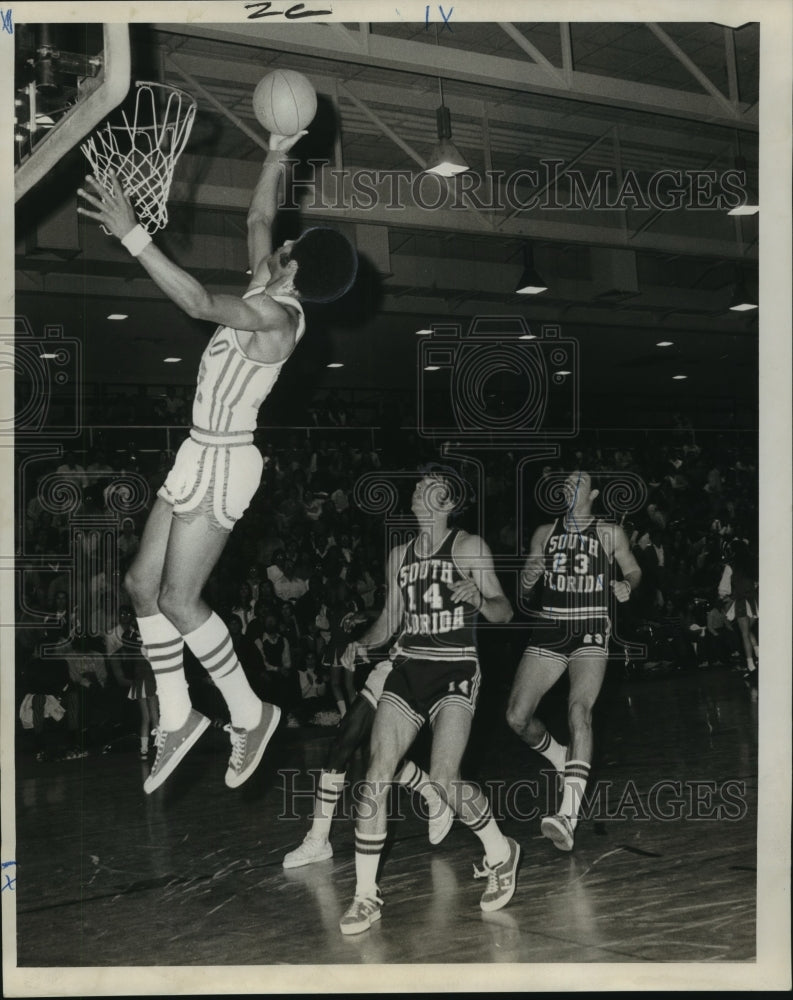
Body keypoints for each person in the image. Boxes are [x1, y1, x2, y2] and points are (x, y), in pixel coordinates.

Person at [77, 126, 358, 794]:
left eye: (289, 247)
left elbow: (200, 302)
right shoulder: (273, 283)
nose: (278, 241)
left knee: (179, 597)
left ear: (292, 268)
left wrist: (133, 235)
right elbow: (259, 215)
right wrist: (278, 145)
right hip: (197, 450)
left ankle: (250, 712)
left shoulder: (275, 316)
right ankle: (178, 716)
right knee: (142, 587)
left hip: (227, 460)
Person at [336, 467, 518, 935]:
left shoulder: (468, 546)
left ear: (448, 501)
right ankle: (364, 896)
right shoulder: (400, 555)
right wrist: (364, 643)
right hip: (410, 669)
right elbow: (389, 620)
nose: (416, 488)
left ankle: (501, 852)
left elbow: (504, 612)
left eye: (427, 485)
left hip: (457, 667)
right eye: (415, 485)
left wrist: (479, 597)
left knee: (443, 778)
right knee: (377, 770)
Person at [506, 470, 642, 853]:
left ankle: (568, 815)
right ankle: (559, 755)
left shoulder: (609, 532)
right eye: (565, 482)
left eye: (577, 482)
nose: (568, 486)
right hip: (549, 628)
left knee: (579, 712)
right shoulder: (544, 533)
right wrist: (529, 579)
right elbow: (526, 591)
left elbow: (633, 569)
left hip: (590, 630)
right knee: (516, 717)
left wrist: (626, 585)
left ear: (594, 493)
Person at [281, 651, 454, 871]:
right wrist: (365, 640)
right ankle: (318, 840)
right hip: (393, 663)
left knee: (381, 755)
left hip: (421, 667)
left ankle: (433, 793)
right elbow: (391, 619)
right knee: (343, 740)